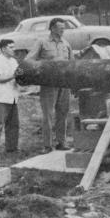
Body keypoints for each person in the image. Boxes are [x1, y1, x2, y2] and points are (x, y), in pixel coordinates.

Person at [26, 17, 74, 153]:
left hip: (64, 84)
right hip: (49, 84)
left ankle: (61, 142)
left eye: (64, 28)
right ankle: (47, 145)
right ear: (52, 28)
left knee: (63, 113)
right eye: (60, 28)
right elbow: (29, 60)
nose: (63, 30)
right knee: (48, 114)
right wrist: (41, 70)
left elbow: (72, 63)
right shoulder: (42, 42)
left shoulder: (66, 43)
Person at [0, 39, 20, 159]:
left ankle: (11, 149)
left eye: (14, 47)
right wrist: (14, 75)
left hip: (12, 97)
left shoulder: (14, 61)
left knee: (13, 125)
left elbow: (17, 77)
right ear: (3, 49)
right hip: (0, 98)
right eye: (11, 47)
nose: (14, 49)